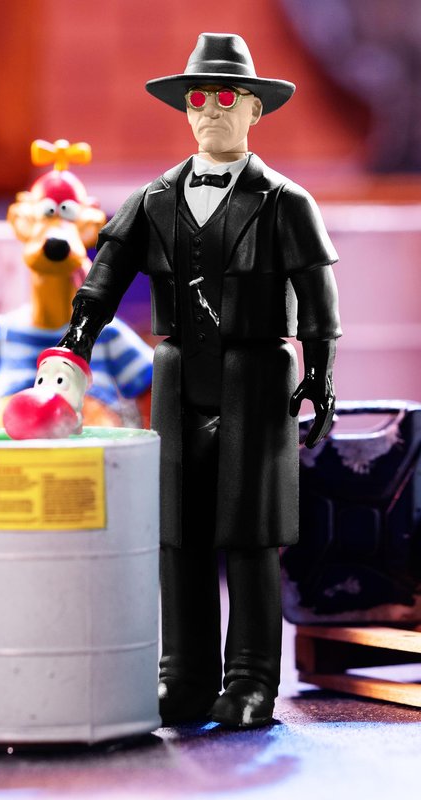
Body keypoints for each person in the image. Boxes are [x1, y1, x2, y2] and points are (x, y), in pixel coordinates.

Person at [55, 32, 341, 728]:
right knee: (176, 532)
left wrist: (320, 374)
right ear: (186, 109)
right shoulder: (154, 200)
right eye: (199, 98)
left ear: (253, 109)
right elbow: (104, 276)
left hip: (257, 376)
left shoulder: (285, 202)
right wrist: (78, 339)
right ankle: (182, 675)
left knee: (251, 536)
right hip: (179, 372)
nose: (212, 109)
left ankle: (251, 681)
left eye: (226, 96)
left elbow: (317, 294)